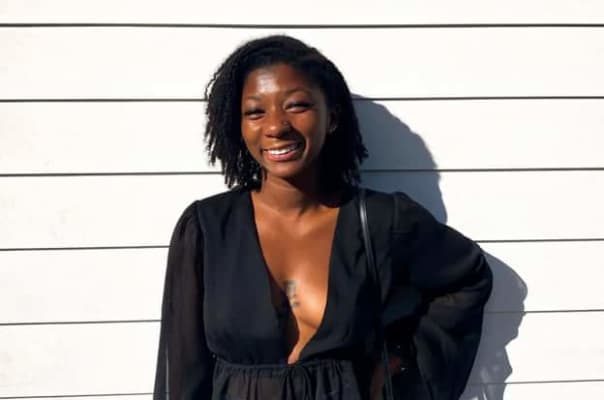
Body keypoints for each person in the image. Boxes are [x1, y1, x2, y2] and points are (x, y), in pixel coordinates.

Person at [153, 35, 492, 400]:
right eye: (255, 112)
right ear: (238, 126)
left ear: (332, 117)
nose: (276, 126)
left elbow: (467, 277)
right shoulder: (207, 228)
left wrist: (400, 361)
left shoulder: (381, 221)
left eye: (297, 105)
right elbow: (182, 366)